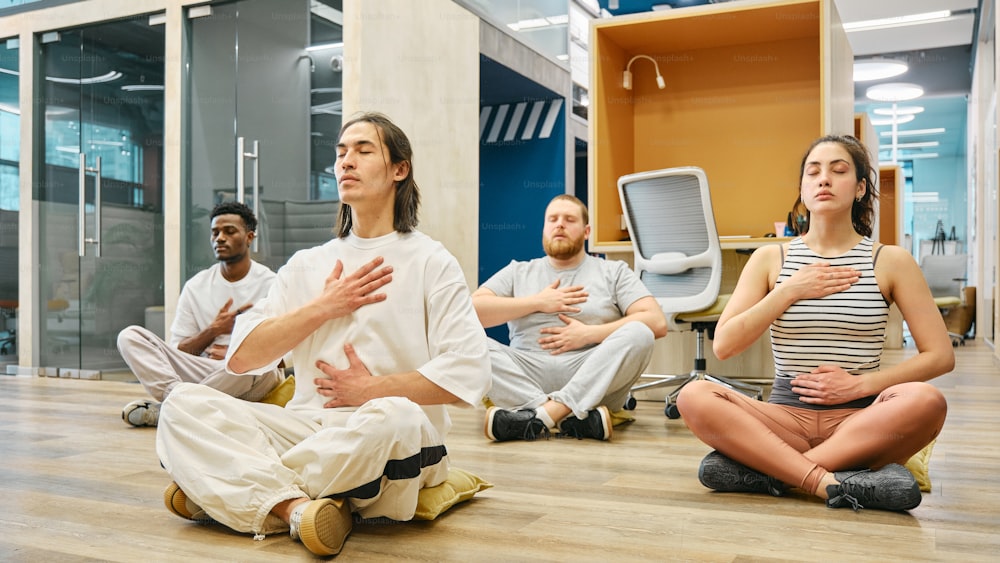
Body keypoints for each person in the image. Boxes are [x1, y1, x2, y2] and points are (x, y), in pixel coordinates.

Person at [155, 112, 491, 557]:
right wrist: (324, 307)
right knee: (182, 404)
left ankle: (227, 489)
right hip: (309, 429)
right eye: (340, 152)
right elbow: (241, 359)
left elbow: (470, 372)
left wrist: (370, 389)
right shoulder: (307, 265)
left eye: (363, 150)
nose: (345, 161)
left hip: (389, 433)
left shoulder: (432, 261)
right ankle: (296, 508)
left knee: (395, 415)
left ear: (399, 169)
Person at [676, 134, 954, 512]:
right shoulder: (769, 259)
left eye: (838, 171)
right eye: (814, 172)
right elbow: (724, 346)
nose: (824, 179)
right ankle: (833, 481)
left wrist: (860, 384)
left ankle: (775, 471)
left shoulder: (890, 261)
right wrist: (788, 291)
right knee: (693, 395)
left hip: (859, 421)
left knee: (927, 400)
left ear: (859, 189)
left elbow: (940, 356)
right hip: (784, 418)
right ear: (803, 190)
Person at [473, 194, 667, 442]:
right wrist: (538, 302)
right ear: (544, 229)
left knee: (640, 333)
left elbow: (656, 321)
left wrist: (590, 334)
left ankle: (537, 418)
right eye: (552, 219)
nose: (560, 224)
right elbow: (472, 311)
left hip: (591, 374)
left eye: (569, 219)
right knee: (466, 340)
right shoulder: (518, 271)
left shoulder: (613, 271)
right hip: (526, 372)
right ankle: (571, 417)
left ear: (586, 232)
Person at [117, 201, 281, 427]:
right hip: (203, 370)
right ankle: (183, 404)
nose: (220, 238)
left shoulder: (272, 284)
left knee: (253, 366)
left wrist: (237, 353)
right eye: (215, 233)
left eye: (229, 231)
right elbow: (180, 350)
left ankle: (174, 409)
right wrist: (214, 330)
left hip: (248, 376)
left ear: (250, 237)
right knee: (129, 336)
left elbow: (284, 354)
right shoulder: (196, 285)